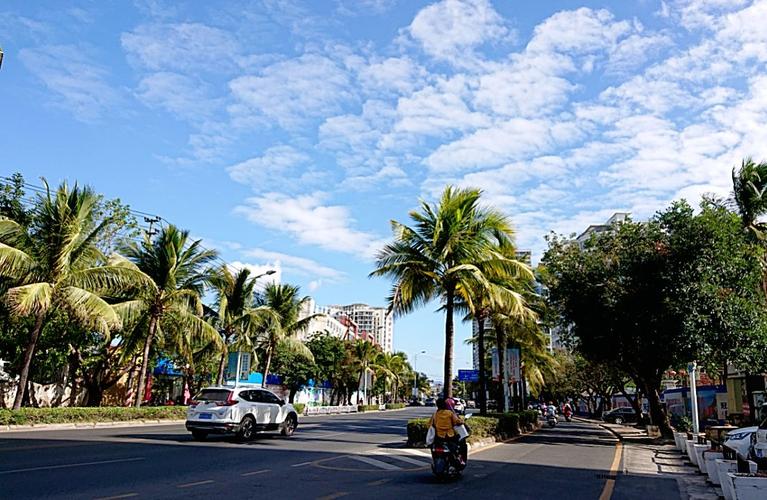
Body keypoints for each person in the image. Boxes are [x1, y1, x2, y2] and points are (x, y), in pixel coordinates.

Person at [428, 397, 465, 464]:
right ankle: (459, 458)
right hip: (449, 436)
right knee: (460, 443)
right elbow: (457, 422)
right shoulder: (450, 413)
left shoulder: (435, 414)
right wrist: (462, 421)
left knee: (433, 447)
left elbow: (429, 424)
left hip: (439, 437)